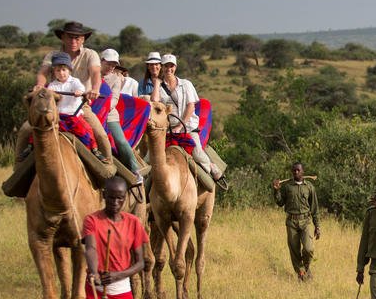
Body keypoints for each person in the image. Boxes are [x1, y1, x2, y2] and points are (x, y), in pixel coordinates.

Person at [16, 21, 111, 164]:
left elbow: (96, 73)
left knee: (101, 135)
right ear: (63, 38)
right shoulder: (53, 55)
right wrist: (40, 86)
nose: (73, 41)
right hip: (53, 107)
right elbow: (43, 73)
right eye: (70, 37)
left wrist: (95, 89)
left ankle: (107, 172)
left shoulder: (90, 54)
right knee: (25, 131)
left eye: (77, 38)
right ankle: (18, 172)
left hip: (79, 106)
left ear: (83, 39)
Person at [150, 54, 224, 183]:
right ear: (162, 67)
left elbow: (190, 106)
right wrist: (156, 83)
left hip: (187, 127)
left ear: (175, 67)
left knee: (197, 153)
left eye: (171, 66)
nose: (169, 69)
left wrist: (180, 126)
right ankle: (145, 187)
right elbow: (155, 102)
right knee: (150, 157)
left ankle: (212, 168)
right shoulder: (160, 86)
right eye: (166, 66)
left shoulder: (186, 84)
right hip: (167, 129)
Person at [100, 48, 144, 195]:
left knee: (121, 142)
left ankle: (134, 170)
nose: (111, 67)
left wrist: (103, 108)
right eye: (109, 63)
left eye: (114, 64)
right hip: (88, 112)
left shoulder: (115, 79)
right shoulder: (91, 74)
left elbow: (114, 99)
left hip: (108, 115)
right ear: (101, 61)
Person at [272, 162, 320, 281]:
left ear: (303, 171)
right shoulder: (287, 187)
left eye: (298, 170)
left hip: (305, 222)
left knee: (308, 249)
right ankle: (301, 273)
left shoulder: (309, 187)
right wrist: (276, 190)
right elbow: (280, 203)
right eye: (294, 171)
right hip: (291, 222)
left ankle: (306, 268)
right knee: (294, 250)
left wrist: (317, 226)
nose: (296, 172)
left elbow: (314, 208)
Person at [47, 52, 86, 116]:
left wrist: (79, 91)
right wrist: (49, 94)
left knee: (89, 125)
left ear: (69, 71)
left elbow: (81, 87)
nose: (61, 73)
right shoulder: (52, 85)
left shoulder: (74, 81)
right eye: (58, 70)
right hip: (58, 114)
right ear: (54, 72)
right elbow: (48, 95)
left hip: (74, 113)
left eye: (64, 70)